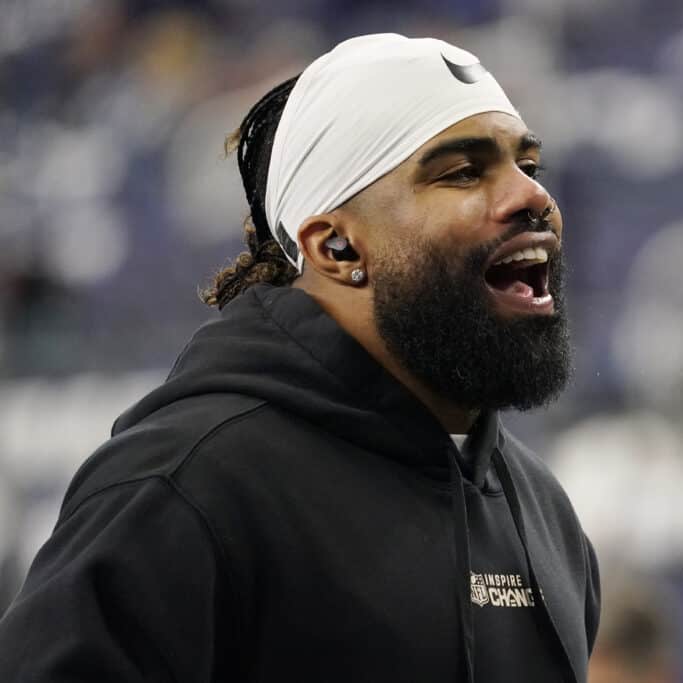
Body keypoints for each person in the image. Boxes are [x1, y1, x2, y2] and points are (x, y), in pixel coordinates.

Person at [0, 33, 600, 682]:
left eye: (527, 167)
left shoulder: (542, 512)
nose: (533, 196)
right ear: (336, 247)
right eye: (461, 172)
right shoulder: (182, 491)